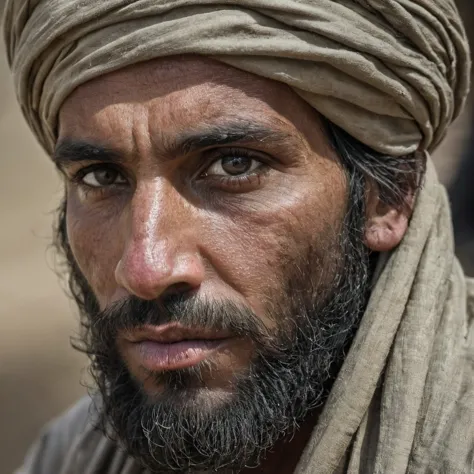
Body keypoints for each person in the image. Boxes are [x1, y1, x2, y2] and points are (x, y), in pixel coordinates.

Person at [3, 1, 474, 473]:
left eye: (235, 165)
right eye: (101, 176)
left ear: (389, 194)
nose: (147, 269)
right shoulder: (69, 457)